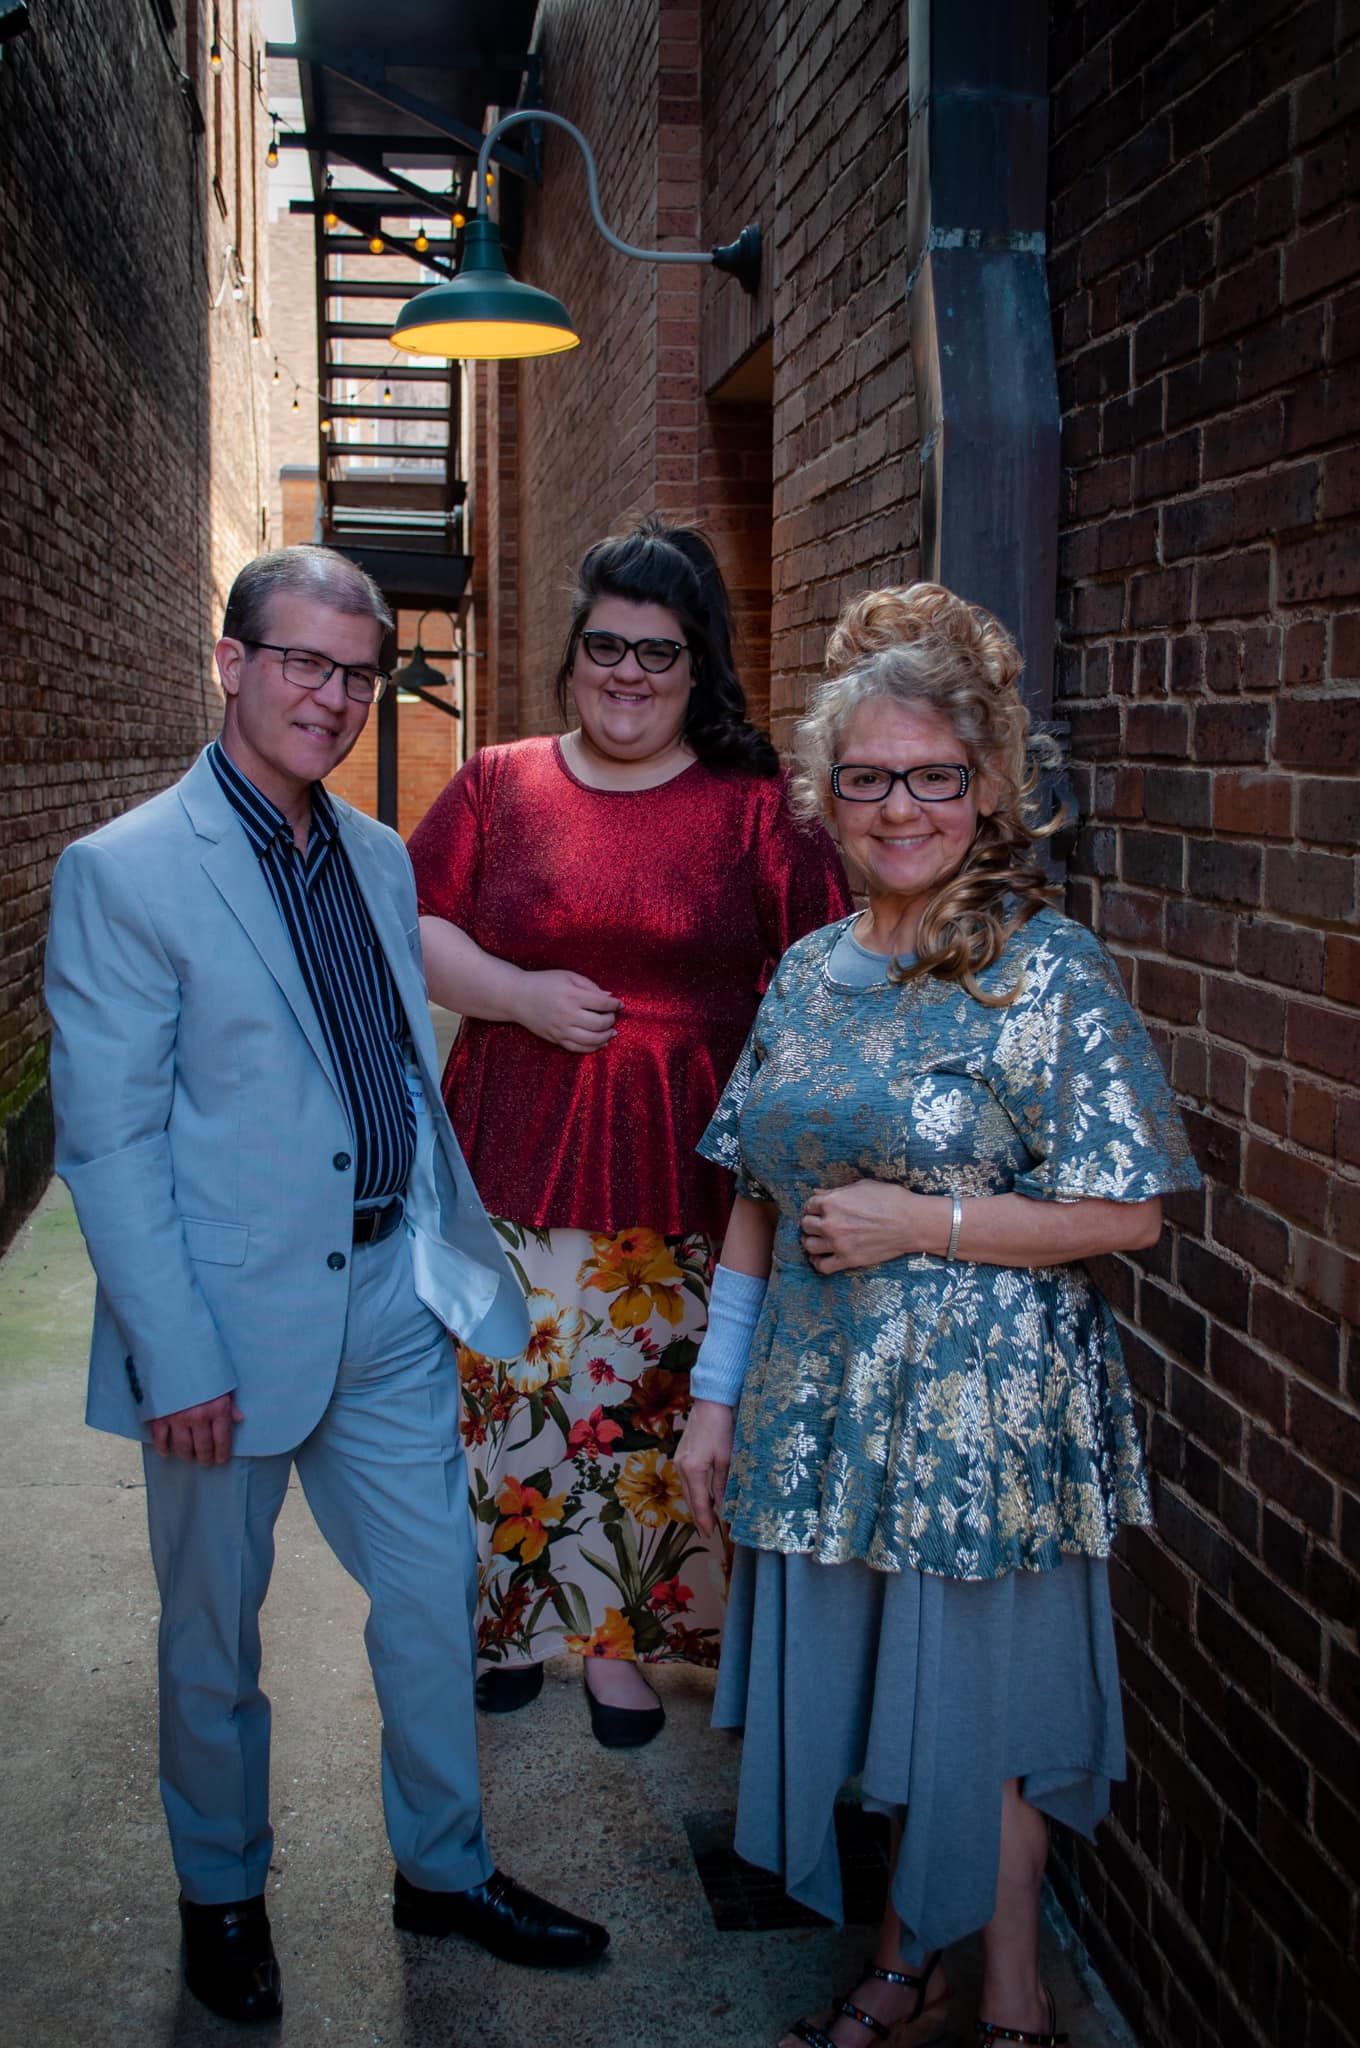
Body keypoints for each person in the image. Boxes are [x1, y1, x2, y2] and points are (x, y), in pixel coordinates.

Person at [44, 546, 609, 2028]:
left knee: (436, 1597)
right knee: (213, 1643)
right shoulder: (125, 871)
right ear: (231, 663)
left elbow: (389, 1073)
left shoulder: (370, 854)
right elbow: (112, 1142)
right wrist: (173, 1358)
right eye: (302, 662)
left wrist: (431, 1248)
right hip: (217, 1328)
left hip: (383, 1306)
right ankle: (220, 1897)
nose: (333, 696)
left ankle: (442, 1864)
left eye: (357, 673)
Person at [677, 583, 1200, 2048]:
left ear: (986, 791)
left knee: (981, 1713)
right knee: (891, 1714)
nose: (900, 807)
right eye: (869, 778)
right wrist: (717, 1394)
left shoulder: (1048, 973)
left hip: (991, 1413)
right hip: (824, 1397)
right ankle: (919, 1971)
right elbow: (759, 1198)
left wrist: (929, 1223)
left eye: (934, 777)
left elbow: (1131, 1213)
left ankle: (1000, 2000)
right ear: (824, 797)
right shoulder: (805, 972)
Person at [407, 520, 850, 1747]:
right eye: (607, 645)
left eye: (659, 652)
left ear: (698, 665)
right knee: (506, 1393)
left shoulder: (757, 808)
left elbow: (821, 973)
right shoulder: (500, 781)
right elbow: (412, 915)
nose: (629, 674)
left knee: (647, 1405)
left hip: (687, 1159)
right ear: (576, 650)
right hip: (513, 1136)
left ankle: (618, 1643)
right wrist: (516, 992)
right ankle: (505, 1619)